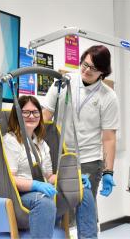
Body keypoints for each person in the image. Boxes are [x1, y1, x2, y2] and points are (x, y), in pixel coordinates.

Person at [3, 95, 97, 239]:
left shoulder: (41, 143)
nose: (31, 116)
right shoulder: (11, 141)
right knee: (44, 201)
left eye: (35, 112)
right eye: (26, 112)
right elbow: (11, 179)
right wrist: (35, 185)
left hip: (44, 192)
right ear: (17, 115)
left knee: (84, 192)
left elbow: (48, 177)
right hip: (21, 196)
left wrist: (74, 180)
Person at [42, 45, 119, 199]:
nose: (87, 70)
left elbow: (109, 138)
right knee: (59, 206)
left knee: (86, 205)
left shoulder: (108, 96)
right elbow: (44, 117)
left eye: (94, 68)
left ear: (103, 71)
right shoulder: (63, 83)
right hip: (59, 156)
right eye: (85, 64)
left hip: (89, 159)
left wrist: (108, 171)